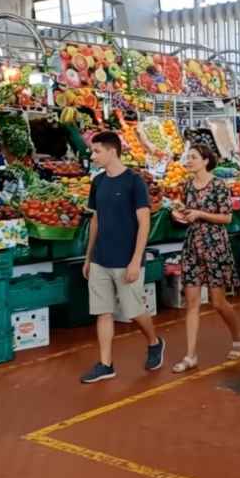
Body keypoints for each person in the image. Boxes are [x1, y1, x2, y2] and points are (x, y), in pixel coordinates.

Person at [81, 131, 164, 383]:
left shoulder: (134, 182)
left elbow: (144, 222)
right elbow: (95, 219)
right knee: (102, 312)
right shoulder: (98, 182)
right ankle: (106, 364)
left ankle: (154, 341)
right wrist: (88, 256)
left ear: (112, 151)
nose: (92, 156)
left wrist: (136, 260)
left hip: (126, 259)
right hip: (100, 259)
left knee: (133, 311)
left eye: (96, 151)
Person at [171, 144, 240, 373]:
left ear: (205, 160)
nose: (188, 160)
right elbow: (186, 211)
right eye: (188, 157)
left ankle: (237, 336)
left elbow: (227, 218)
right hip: (193, 246)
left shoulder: (219, 186)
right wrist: (180, 213)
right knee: (192, 302)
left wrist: (200, 214)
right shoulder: (187, 186)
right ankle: (190, 355)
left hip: (215, 246)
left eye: (193, 157)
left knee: (217, 302)